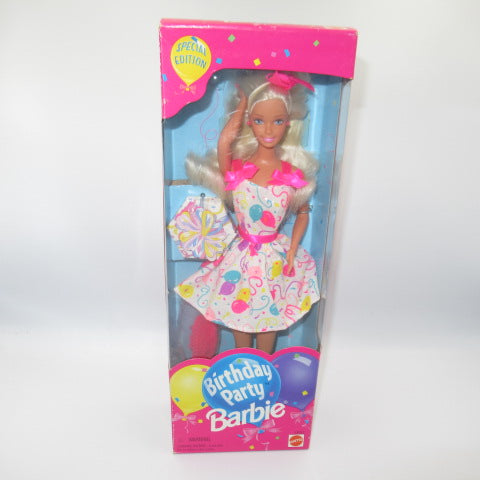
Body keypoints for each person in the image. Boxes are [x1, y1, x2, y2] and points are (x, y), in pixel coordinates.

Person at [176, 71, 320, 354]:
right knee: (239, 318)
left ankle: (265, 367)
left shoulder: (292, 174)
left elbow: (304, 213)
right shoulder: (238, 170)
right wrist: (242, 106)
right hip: (241, 257)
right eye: (259, 120)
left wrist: (292, 249)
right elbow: (224, 144)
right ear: (250, 123)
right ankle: (242, 363)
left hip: (273, 258)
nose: (268, 130)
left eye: (277, 121)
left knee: (269, 320)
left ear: (287, 123)